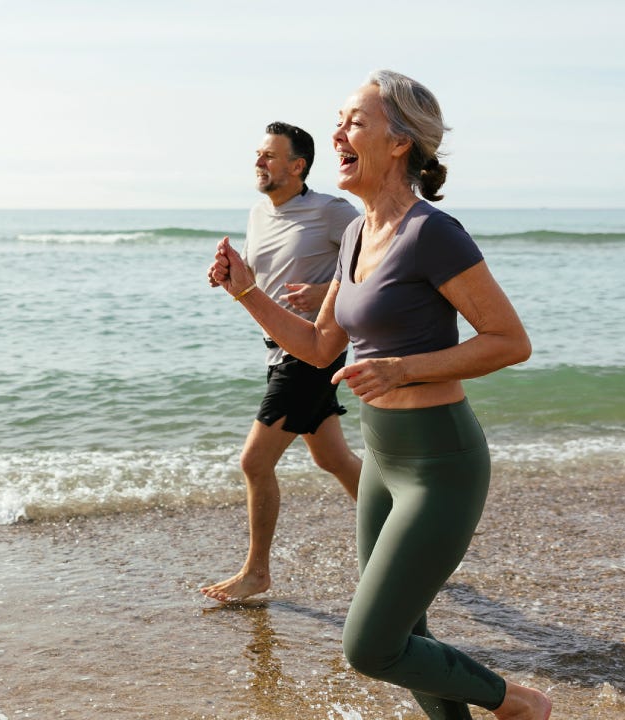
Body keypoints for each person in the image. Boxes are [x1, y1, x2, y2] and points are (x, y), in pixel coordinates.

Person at [207, 72, 553, 719]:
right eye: (338, 120)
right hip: (384, 462)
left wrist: (404, 369)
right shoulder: (356, 234)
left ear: (398, 143)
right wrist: (248, 292)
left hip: (439, 465)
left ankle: (519, 703)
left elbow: (510, 341)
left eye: (353, 121)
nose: (338, 132)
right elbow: (317, 345)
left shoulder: (432, 233)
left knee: (370, 647)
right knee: (406, 636)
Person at [200, 121, 363, 604]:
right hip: (277, 350)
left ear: (298, 166)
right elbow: (257, 279)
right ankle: (401, 532)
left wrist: (329, 290)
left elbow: (376, 258)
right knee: (331, 457)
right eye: (258, 155)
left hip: (313, 351)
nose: (259, 163)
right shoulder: (258, 214)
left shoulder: (333, 212)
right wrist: (227, 274)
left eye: (270, 156)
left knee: (254, 462)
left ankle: (257, 572)